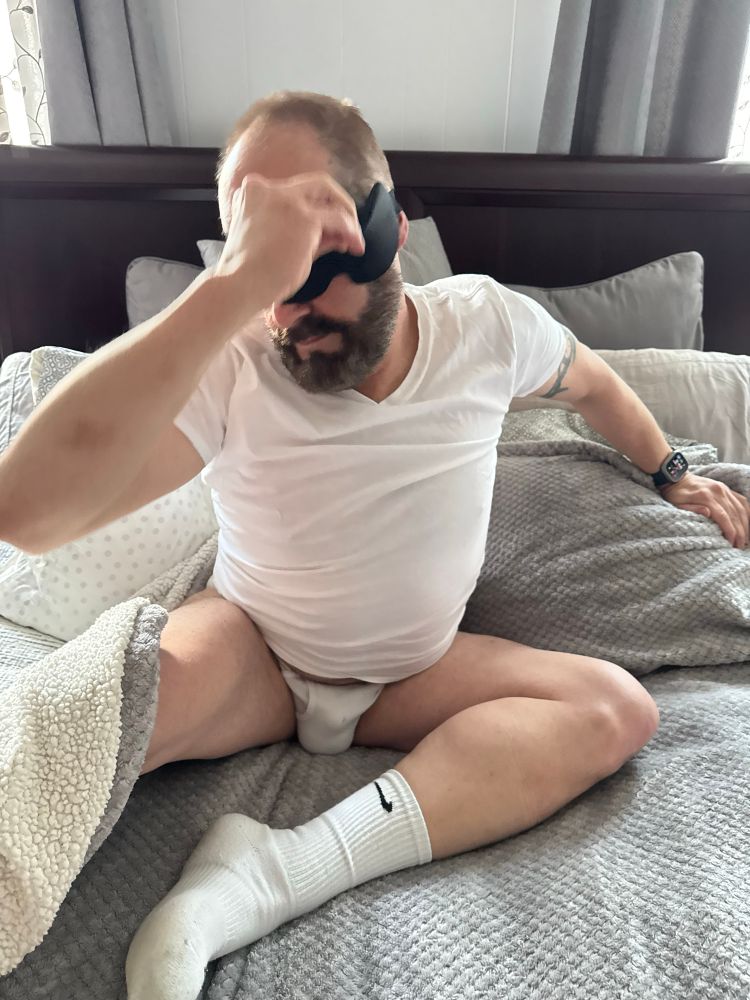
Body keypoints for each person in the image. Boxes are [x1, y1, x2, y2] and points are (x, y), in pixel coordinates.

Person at [1, 92, 748, 1000]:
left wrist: (671, 470)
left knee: (615, 710)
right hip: (253, 658)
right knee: (69, 728)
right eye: (265, 259)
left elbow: (595, 384)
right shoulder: (234, 360)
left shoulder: (487, 328)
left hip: (414, 675)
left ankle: (277, 870)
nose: (291, 312)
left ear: (386, 228)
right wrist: (233, 287)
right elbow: (26, 510)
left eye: (312, 255)